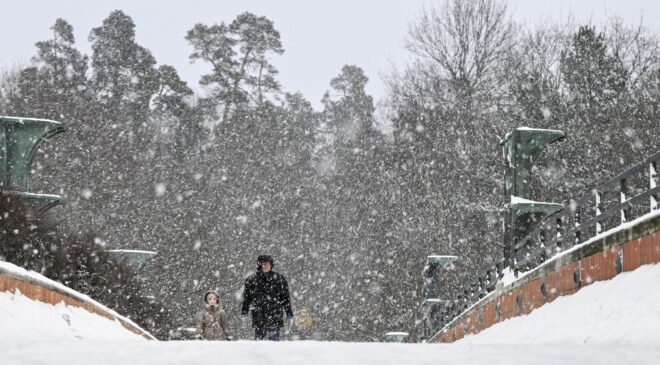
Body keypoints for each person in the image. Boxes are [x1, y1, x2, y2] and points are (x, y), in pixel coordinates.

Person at [241, 255, 294, 341]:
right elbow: (247, 299)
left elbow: (285, 298)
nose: (267, 266)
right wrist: (244, 312)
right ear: (259, 265)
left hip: (275, 316)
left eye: (269, 264)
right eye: (264, 264)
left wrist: (289, 313)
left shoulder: (279, 279)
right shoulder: (251, 280)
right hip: (259, 317)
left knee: (274, 346)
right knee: (259, 345)